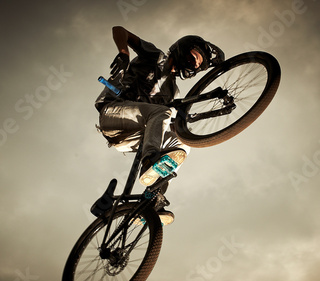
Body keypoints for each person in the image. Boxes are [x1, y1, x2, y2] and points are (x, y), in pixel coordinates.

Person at [95, 26, 224, 225]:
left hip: (131, 136)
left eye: (196, 66)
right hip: (112, 113)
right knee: (163, 112)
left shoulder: (174, 91)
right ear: (183, 48)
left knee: (182, 143)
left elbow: (165, 126)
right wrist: (123, 54)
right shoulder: (155, 57)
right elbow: (120, 30)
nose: (192, 65)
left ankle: (151, 200)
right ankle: (149, 160)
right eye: (192, 57)